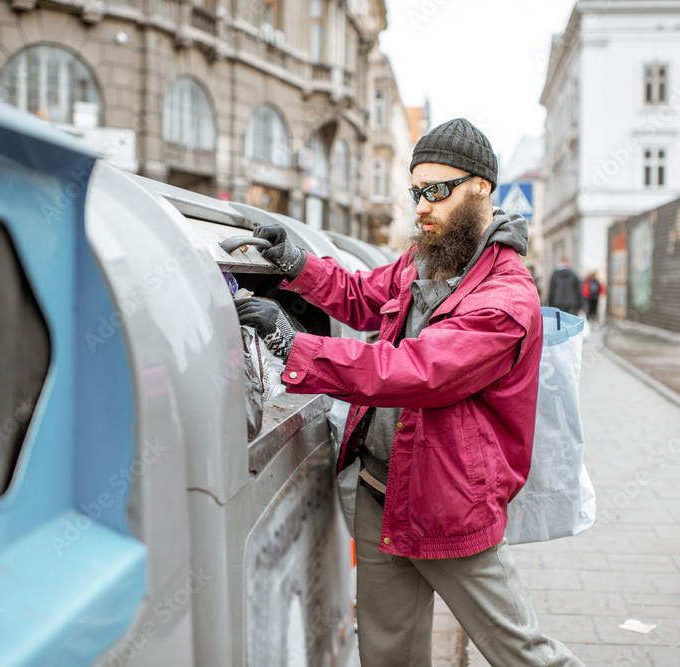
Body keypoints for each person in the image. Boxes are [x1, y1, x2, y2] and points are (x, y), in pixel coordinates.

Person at [236, 118, 582, 667]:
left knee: (523, 653)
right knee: (387, 654)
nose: (421, 206)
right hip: (383, 493)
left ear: (480, 190)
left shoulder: (504, 298)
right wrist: (296, 265)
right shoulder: (427, 258)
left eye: (437, 192)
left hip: (450, 509)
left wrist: (292, 344)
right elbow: (360, 296)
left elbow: (414, 372)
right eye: (417, 191)